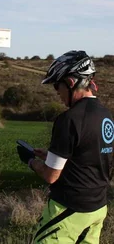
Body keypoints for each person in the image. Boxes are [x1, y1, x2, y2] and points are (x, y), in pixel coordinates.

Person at [17, 50, 114, 243]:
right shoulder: (106, 115)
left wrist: (29, 160)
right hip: (98, 208)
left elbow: (50, 176)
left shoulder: (69, 119)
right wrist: (49, 156)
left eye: (57, 86)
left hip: (70, 209)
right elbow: (91, 156)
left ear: (70, 83)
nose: (57, 93)